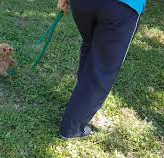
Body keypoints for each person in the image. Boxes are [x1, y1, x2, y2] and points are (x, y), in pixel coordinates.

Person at [57, 0, 146, 139]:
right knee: (103, 65)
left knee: (91, 46)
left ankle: (79, 105)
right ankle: (72, 128)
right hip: (122, 6)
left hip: (82, 4)